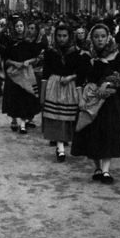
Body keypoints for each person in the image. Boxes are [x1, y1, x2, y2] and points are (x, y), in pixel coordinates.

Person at [72, 24, 120, 183]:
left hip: (109, 100)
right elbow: (79, 79)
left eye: (103, 36)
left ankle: (106, 170)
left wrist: (109, 84)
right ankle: (97, 167)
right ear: (92, 38)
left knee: (108, 132)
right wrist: (80, 98)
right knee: (93, 133)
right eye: (96, 36)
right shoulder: (85, 55)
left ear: (108, 37)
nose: (100, 39)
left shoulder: (116, 55)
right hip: (91, 98)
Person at [41, 24, 82, 162]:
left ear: (70, 36)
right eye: (59, 36)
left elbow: (81, 72)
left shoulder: (77, 52)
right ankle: (60, 148)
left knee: (67, 118)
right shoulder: (50, 51)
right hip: (54, 85)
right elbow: (45, 72)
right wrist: (43, 93)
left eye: (64, 36)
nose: (61, 39)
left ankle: (65, 143)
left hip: (69, 86)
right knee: (56, 117)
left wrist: (71, 77)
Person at [2, 19, 41, 134]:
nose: (19, 28)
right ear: (14, 28)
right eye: (17, 26)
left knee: (25, 97)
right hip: (13, 74)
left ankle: (23, 123)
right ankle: (14, 119)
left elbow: (36, 58)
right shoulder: (10, 42)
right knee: (13, 97)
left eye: (21, 26)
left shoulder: (29, 42)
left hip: (25, 74)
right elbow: (6, 60)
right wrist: (15, 63)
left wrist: (28, 61)